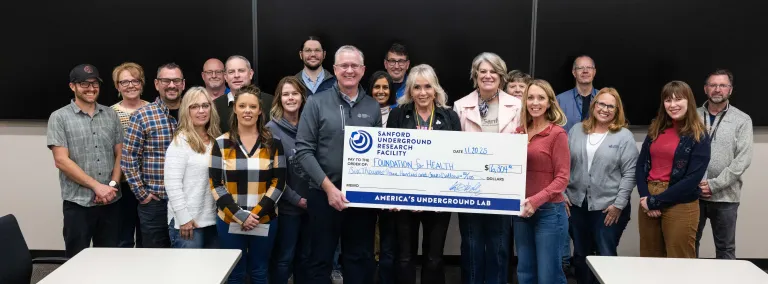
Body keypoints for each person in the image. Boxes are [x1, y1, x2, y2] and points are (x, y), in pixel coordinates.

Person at [295, 45, 382, 284]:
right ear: (334, 69)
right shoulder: (315, 102)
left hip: (360, 197)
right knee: (319, 259)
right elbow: (303, 150)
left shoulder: (372, 107)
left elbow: (378, 157)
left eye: (354, 65)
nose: (349, 70)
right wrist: (329, 189)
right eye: (344, 65)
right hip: (323, 195)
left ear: (363, 70)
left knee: (359, 259)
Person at [387, 64, 461, 284]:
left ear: (435, 88)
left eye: (427, 86)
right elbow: (390, 157)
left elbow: (457, 158)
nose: (422, 92)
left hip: (438, 198)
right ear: (410, 90)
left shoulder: (450, 117)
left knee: (434, 257)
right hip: (404, 198)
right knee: (405, 256)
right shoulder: (398, 114)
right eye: (417, 87)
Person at [453, 52, 521, 284]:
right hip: (470, 189)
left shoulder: (517, 106)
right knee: (471, 245)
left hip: (503, 189)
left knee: (499, 246)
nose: (488, 75)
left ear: (501, 76)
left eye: (493, 71)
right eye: (483, 71)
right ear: (475, 75)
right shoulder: (461, 106)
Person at [209, 84, 287, 284]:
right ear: (235, 108)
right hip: (229, 221)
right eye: (242, 106)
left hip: (264, 219)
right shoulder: (220, 144)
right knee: (234, 274)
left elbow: (279, 183)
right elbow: (216, 184)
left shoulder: (273, 143)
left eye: (252, 107)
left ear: (260, 110)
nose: (247, 111)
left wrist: (257, 214)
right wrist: (240, 215)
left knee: (260, 271)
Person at [47, 64, 123, 257]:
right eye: (84, 84)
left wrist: (111, 185)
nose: (91, 88)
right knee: (76, 261)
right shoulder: (59, 117)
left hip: (110, 202)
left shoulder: (111, 115)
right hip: (78, 204)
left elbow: (120, 155)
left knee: (109, 260)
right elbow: (61, 161)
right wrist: (97, 187)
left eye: (95, 83)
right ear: (72, 86)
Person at [566, 88, 637, 284]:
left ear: (617, 110)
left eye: (610, 106)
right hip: (577, 205)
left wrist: (619, 205)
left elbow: (630, 174)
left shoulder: (624, 136)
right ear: (594, 105)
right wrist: (563, 194)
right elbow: (563, 165)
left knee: (605, 256)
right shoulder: (576, 130)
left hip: (608, 208)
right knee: (581, 255)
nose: (604, 109)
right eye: (601, 104)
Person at [636, 81, 711, 258]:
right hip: (649, 196)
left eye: (679, 99)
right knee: (649, 258)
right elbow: (641, 165)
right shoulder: (656, 126)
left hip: (680, 202)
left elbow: (692, 179)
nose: (673, 105)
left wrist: (656, 202)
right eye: (668, 100)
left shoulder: (699, 134)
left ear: (689, 101)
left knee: (679, 260)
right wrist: (646, 197)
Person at [122, 63, 186, 248]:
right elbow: (129, 158)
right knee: (154, 257)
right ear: (157, 84)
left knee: (186, 256)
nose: (172, 85)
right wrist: (142, 194)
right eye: (166, 80)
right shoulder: (142, 116)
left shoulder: (193, 114)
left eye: (176, 80)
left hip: (186, 200)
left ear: (183, 84)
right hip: (155, 202)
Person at [513, 79, 570, 284]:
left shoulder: (557, 134)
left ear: (549, 103)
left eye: (541, 98)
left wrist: (535, 201)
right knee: (525, 273)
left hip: (549, 213)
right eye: (530, 98)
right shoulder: (518, 132)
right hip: (521, 212)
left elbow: (562, 178)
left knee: (549, 276)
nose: (535, 103)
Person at [695, 69, 753, 259]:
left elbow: (742, 160)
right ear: (705, 89)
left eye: (722, 85)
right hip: (692, 194)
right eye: (713, 85)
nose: (717, 89)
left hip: (726, 197)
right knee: (688, 245)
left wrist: (714, 184)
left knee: (726, 249)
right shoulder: (692, 116)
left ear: (730, 90)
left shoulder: (742, 120)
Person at [164, 87, 221, 248]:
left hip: (213, 221)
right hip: (188, 224)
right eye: (194, 107)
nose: (201, 111)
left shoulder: (215, 140)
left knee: (214, 271)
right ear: (186, 111)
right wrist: (184, 218)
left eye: (205, 105)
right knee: (188, 272)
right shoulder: (180, 142)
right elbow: (172, 184)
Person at [267, 76, 311, 284]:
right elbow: (272, 176)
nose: (291, 98)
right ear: (279, 99)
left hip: (313, 206)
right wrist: (296, 200)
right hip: (287, 208)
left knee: (306, 258)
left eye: (295, 93)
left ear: (302, 97)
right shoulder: (270, 131)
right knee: (284, 259)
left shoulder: (313, 127)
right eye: (286, 94)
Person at [110, 62, 149, 248]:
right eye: (124, 82)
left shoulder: (153, 110)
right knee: (123, 238)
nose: (130, 85)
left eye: (135, 80)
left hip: (149, 184)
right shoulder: (110, 114)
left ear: (142, 83)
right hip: (122, 185)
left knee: (147, 237)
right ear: (117, 86)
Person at [367, 70, 397, 284]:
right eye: (377, 87)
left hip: (391, 185)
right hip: (366, 184)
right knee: (365, 238)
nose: (381, 91)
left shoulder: (399, 113)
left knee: (389, 240)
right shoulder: (362, 111)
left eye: (385, 87)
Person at [214, 55, 275, 133]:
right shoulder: (215, 106)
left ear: (250, 74)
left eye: (241, 71)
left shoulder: (270, 102)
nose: (236, 75)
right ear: (225, 77)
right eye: (231, 72)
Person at [556, 55, 598, 133]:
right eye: (580, 68)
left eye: (589, 67)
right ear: (574, 72)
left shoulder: (604, 99)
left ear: (594, 72)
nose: (585, 71)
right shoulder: (559, 100)